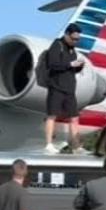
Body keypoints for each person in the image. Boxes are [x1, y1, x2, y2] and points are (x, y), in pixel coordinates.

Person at [42, 23, 87, 155]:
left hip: (70, 88)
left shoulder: (73, 50)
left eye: (77, 39)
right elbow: (52, 64)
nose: (75, 41)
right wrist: (70, 64)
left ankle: (76, 146)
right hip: (56, 86)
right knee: (52, 115)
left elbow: (70, 68)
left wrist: (78, 66)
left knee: (74, 117)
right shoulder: (57, 45)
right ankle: (49, 144)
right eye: (73, 38)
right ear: (66, 35)